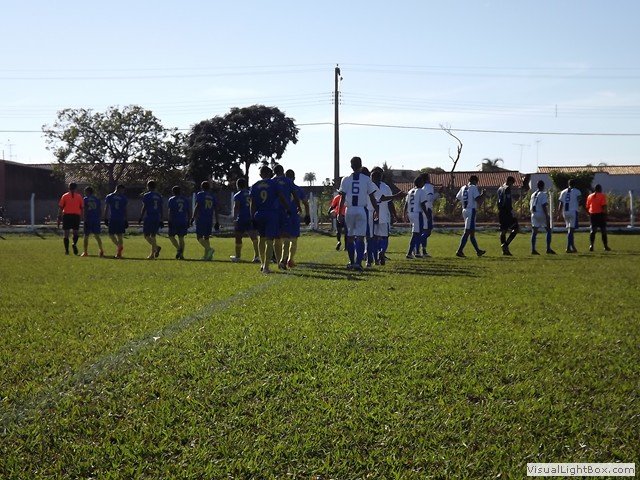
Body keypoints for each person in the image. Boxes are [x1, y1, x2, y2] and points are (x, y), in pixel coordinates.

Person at [337, 156, 379, 271]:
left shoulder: (345, 179)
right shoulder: (366, 179)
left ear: (351, 166)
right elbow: (372, 197)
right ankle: (358, 263)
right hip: (361, 209)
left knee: (350, 237)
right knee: (360, 237)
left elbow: (342, 197)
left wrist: (339, 213)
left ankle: (351, 261)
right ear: (361, 166)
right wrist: (377, 210)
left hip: (349, 210)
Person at [250, 165, 290, 274]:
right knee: (270, 240)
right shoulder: (274, 183)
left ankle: (262, 264)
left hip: (259, 214)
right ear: (269, 173)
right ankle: (266, 267)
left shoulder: (255, 185)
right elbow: (281, 197)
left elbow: (252, 203)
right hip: (271, 214)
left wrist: (252, 216)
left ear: (261, 174)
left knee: (261, 238)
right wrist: (287, 208)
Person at [272, 164, 301, 270]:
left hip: (273, 211)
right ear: (283, 171)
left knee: (276, 237)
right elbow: (295, 194)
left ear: (274, 172)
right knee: (286, 236)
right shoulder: (288, 181)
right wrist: (298, 206)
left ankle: (278, 261)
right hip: (285, 210)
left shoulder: (271, 182)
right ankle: (283, 259)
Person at [283, 169, 311, 268]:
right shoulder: (298, 189)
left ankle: (283, 259)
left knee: (285, 238)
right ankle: (290, 259)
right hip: (294, 215)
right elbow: (306, 203)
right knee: (294, 239)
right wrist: (307, 215)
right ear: (294, 178)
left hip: (284, 215)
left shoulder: (281, 189)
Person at [230, 178, 260, 263]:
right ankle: (257, 256)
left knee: (238, 237)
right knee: (254, 237)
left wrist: (234, 218)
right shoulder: (250, 193)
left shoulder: (238, 195)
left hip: (242, 218)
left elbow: (236, 207)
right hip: (251, 217)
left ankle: (238, 256)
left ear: (238, 185)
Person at [455, 175, 486, 257]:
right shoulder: (473, 187)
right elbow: (478, 200)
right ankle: (459, 251)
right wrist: (483, 194)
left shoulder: (463, 187)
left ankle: (478, 251)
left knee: (472, 233)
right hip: (471, 210)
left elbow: (457, 198)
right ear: (475, 181)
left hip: (464, 210)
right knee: (467, 232)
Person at [371, 167, 396, 265]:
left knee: (374, 237)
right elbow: (390, 202)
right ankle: (382, 252)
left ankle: (375, 258)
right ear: (381, 177)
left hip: (372, 215)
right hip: (383, 215)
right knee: (385, 237)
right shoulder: (386, 187)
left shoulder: (369, 186)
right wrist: (394, 215)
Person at [191, 181, 220, 261]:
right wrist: (217, 221)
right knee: (206, 237)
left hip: (201, 218)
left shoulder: (200, 194)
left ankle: (209, 249)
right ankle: (207, 256)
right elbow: (216, 209)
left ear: (202, 187)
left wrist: (193, 217)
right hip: (209, 219)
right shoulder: (213, 196)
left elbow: (197, 206)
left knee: (199, 237)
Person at [404, 176, 429, 259]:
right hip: (417, 213)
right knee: (416, 234)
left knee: (416, 233)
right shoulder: (421, 191)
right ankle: (410, 252)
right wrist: (427, 214)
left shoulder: (410, 191)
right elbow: (422, 204)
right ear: (420, 183)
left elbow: (406, 204)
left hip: (410, 213)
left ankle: (416, 251)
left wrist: (404, 214)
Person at [139, 180, 164, 259]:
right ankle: (152, 254)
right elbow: (161, 208)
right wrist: (161, 219)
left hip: (149, 217)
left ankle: (156, 248)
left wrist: (141, 217)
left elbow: (144, 207)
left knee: (146, 235)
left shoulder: (147, 195)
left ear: (148, 186)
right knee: (153, 235)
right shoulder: (159, 196)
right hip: (157, 217)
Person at [530, 180, 556, 255]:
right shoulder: (543, 194)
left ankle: (533, 249)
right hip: (541, 213)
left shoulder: (533, 194)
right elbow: (544, 205)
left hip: (534, 214)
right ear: (543, 186)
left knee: (534, 232)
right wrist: (547, 215)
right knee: (548, 230)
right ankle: (548, 248)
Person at [57, 182, 83, 255]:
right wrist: (81, 216)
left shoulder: (65, 196)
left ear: (68, 188)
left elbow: (61, 207)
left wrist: (59, 217)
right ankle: (74, 244)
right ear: (76, 188)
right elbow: (82, 208)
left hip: (67, 216)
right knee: (75, 232)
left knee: (66, 234)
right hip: (76, 216)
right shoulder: (79, 196)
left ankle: (67, 250)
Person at [557, 178, 582, 253]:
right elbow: (580, 201)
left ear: (568, 184)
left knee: (570, 230)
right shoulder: (577, 191)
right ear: (574, 184)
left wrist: (559, 213)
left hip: (565, 212)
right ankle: (568, 247)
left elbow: (560, 204)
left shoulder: (563, 192)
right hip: (573, 211)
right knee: (571, 230)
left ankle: (573, 247)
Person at [104, 184, 128, 258]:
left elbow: (106, 208)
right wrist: (126, 219)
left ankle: (118, 249)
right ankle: (119, 249)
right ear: (119, 189)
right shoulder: (123, 198)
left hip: (113, 218)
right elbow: (125, 209)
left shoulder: (109, 196)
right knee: (119, 235)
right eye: (123, 190)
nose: (123, 192)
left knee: (111, 235)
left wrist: (105, 218)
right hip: (120, 218)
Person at [497, 176, 519, 256]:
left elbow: (498, 201)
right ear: (510, 182)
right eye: (512, 184)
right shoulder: (507, 189)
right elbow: (507, 202)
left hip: (501, 212)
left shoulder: (500, 188)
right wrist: (512, 211)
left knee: (503, 231)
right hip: (506, 212)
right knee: (516, 228)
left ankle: (505, 251)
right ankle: (505, 245)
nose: (512, 186)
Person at [167, 186, 191, 260]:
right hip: (183, 220)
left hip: (174, 220)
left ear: (173, 192)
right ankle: (181, 255)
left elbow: (170, 211)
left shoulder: (172, 199)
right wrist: (189, 220)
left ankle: (178, 248)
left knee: (171, 236)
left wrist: (169, 220)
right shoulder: (185, 200)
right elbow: (188, 211)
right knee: (181, 238)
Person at [586, 184, 611, 252]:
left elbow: (587, 207)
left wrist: (589, 214)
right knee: (603, 231)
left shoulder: (590, 196)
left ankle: (591, 245)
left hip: (592, 215)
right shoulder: (602, 196)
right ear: (600, 189)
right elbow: (604, 206)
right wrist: (606, 215)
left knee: (593, 231)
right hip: (600, 215)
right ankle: (605, 246)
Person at [81, 186, 104, 257]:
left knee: (86, 236)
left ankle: (85, 252)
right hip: (96, 219)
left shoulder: (85, 199)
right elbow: (100, 210)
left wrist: (83, 217)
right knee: (97, 236)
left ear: (87, 192)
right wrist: (99, 218)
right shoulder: (97, 199)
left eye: (85, 192)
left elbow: (84, 209)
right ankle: (101, 250)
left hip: (88, 219)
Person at [419, 173, 436, 257]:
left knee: (424, 231)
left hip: (421, 210)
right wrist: (438, 194)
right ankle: (416, 244)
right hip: (427, 209)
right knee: (428, 232)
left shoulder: (422, 188)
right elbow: (430, 198)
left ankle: (424, 251)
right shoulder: (429, 186)